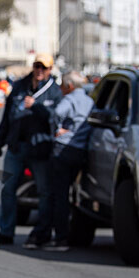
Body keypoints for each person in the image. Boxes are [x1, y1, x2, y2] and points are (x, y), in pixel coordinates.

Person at [0, 53, 62, 247]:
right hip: (17, 145)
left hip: (40, 148)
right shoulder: (19, 87)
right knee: (8, 189)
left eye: (44, 67)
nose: (39, 71)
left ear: (49, 70)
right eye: (37, 66)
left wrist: (37, 106)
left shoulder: (54, 91)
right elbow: (7, 117)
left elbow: (55, 119)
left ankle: (41, 233)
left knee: (44, 191)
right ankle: (6, 232)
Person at [40, 71, 94, 252]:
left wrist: (59, 129)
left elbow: (55, 113)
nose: (61, 89)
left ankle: (60, 238)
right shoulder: (89, 101)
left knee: (59, 195)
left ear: (69, 86)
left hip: (63, 150)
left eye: (63, 85)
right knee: (74, 194)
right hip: (80, 151)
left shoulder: (69, 100)